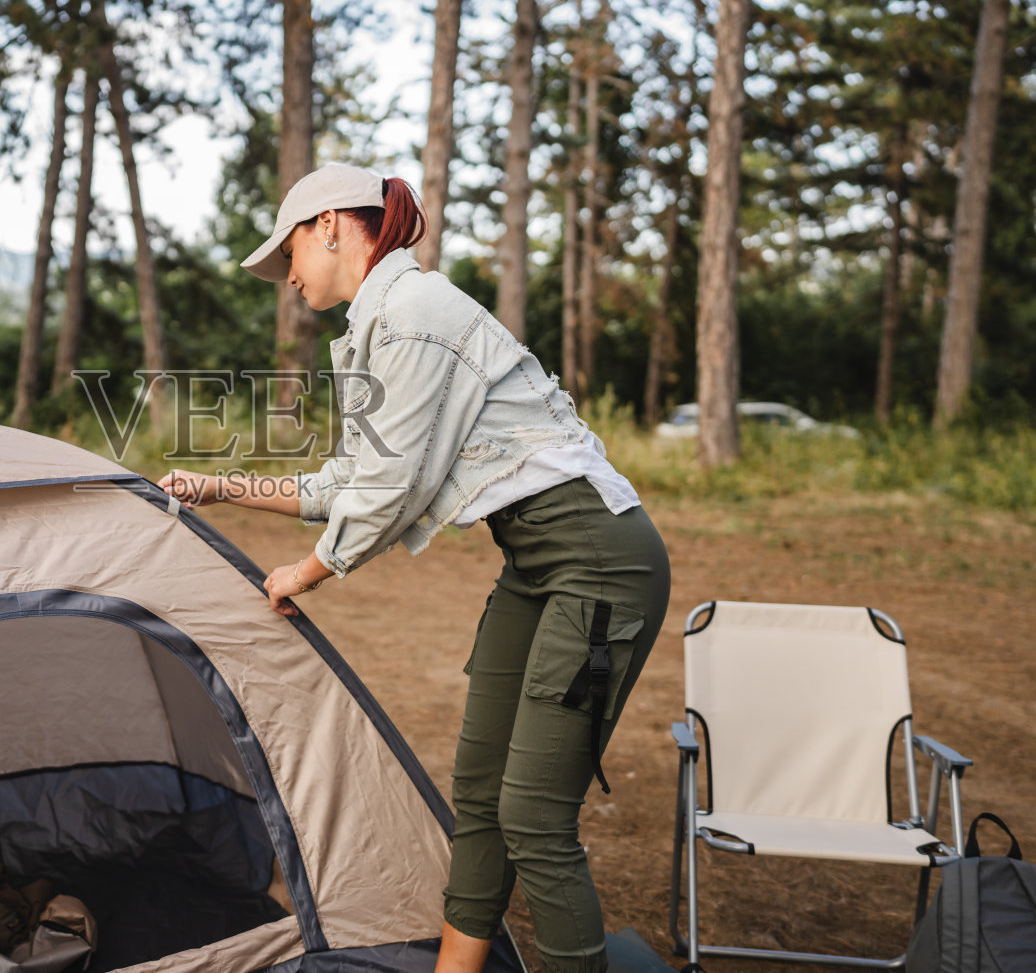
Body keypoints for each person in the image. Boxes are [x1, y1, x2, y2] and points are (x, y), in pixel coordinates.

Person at [156, 164, 670, 973]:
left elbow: (394, 489)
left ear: (330, 224)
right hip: (535, 566)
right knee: (479, 793)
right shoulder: (374, 327)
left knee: (534, 816)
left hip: (598, 561)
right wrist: (225, 486)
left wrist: (309, 571)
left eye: (289, 249)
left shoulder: (416, 311)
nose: (286, 274)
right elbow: (346, 482)